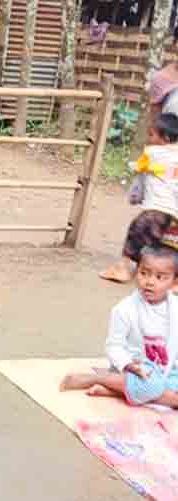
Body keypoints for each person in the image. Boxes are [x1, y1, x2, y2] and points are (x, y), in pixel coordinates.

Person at [62, 244, 178, 408]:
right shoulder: (125, 309)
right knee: (152, 384)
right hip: (136, 369)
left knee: (159, 384)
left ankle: (114, 390)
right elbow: (114, 346)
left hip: (168, 370)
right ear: (136, 272)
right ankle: (96, 378)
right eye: (144, 273)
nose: (149, 282)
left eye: (160, 277)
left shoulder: (175, 308)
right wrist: (129, 365)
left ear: (174, 282)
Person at [101, 113, 178, 283]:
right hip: (173, 213)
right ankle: (167, 279)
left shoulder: (151, 153)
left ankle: (123, 269)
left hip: (155, 210)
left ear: (164, 138)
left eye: (151, 134)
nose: (148, 138)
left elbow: (139, 173)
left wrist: (135, 196)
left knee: (136, 234)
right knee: (164, 246)